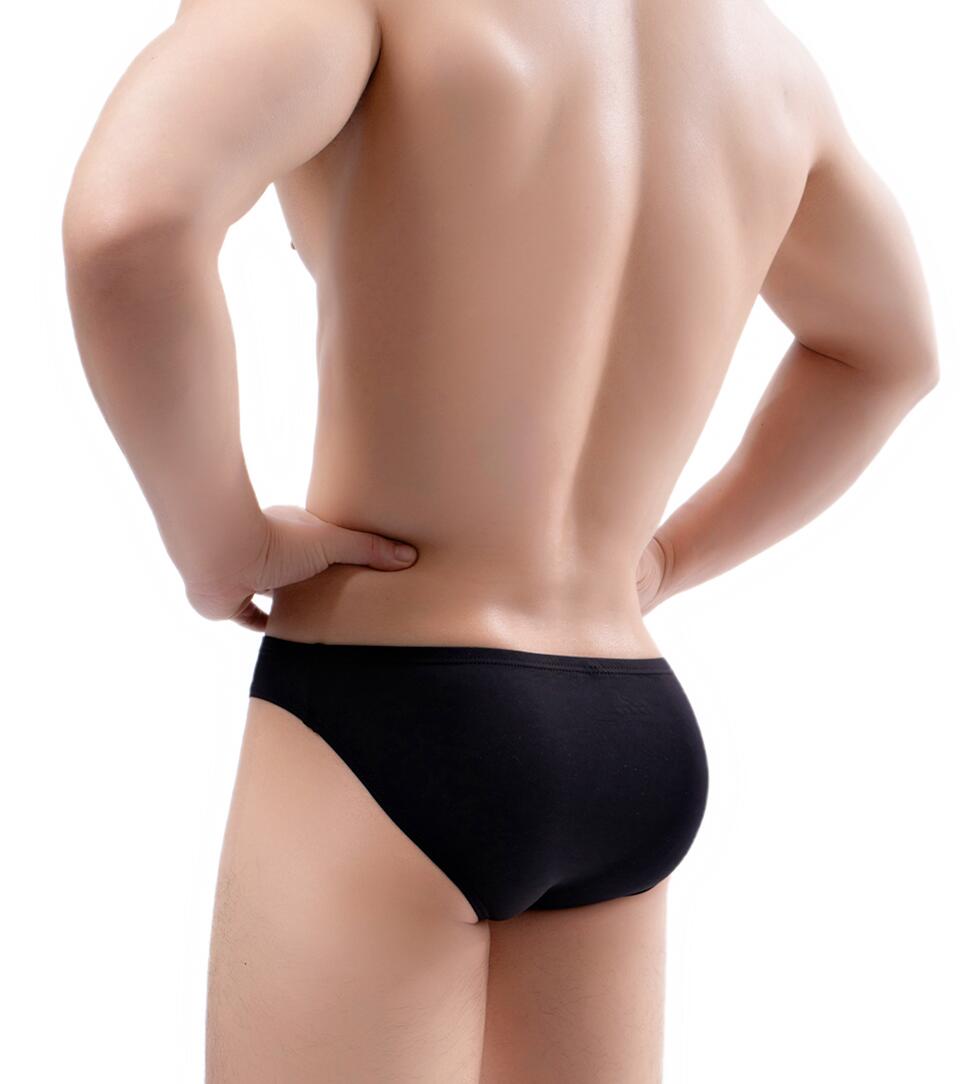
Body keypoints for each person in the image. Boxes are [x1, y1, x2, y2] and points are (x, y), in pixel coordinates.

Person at [61, 0, 939, 1080]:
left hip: (390, 704)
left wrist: (219, 546)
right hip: (630, 727)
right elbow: (889, 351)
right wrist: (663, 561)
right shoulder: (768, 64)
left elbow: (130, 223)